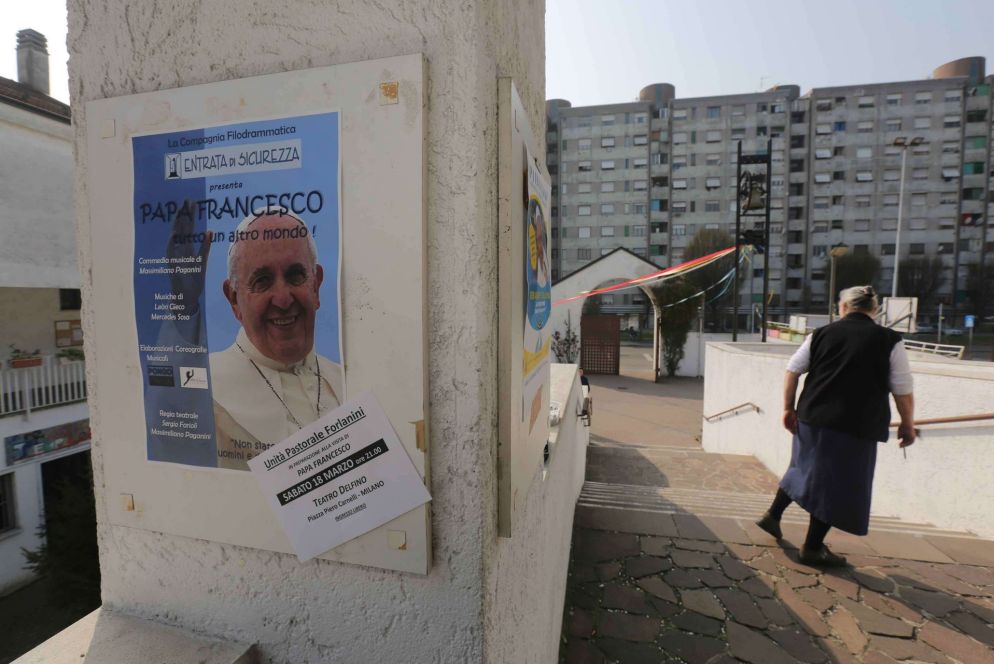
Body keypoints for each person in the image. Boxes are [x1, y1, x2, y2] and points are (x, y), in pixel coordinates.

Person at [755, 285, 916, 566]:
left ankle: (773, 515)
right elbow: (902, 388)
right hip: (856, 425)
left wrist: (788, 408)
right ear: (875, 310)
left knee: (802, 468)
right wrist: (907, 423)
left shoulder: (820, 334)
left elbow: (793, 370)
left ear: (843, 307)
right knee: (837, 484)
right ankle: (812, 547)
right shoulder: (890, 340)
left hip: (812, 416)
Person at [209, 208, 344, 470]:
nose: (283, 300)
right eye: (262, 281)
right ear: (234, 299)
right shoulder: (206, 393)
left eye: (295, 276)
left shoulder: (346, 381)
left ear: (316, 286)